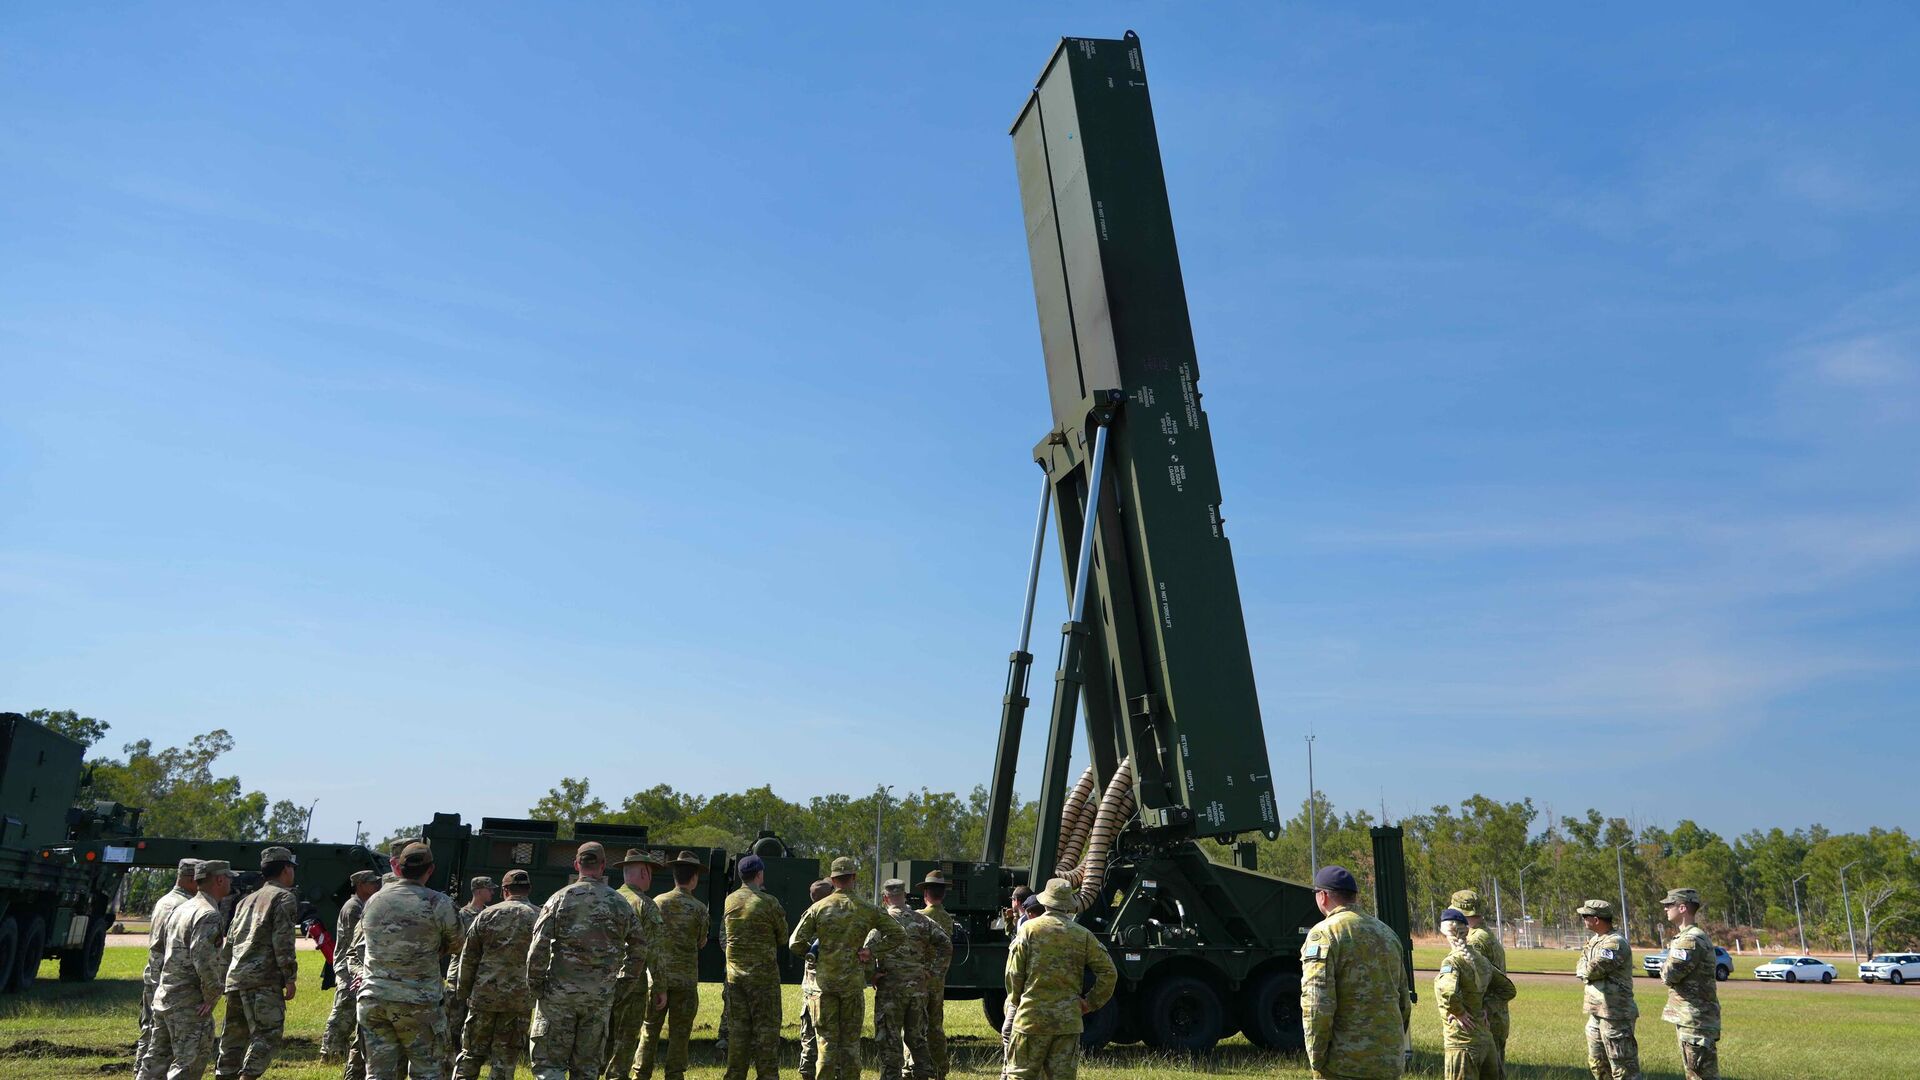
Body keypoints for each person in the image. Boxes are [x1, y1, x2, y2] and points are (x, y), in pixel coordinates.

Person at [527, 840, 647, 1080]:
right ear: (603, 866)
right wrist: (619, 986)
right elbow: (639, 948)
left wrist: (537, 987)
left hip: (559, 996)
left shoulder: (559, 899)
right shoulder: (620, 903)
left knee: (550, 1067)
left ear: (576, 864)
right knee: (587, 1070)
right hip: (598, 998)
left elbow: (538, 948)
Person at [788, 857, 905, 1080]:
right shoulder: (867, 909)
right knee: (851, 1044)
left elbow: (794, 942)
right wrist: (871, 951)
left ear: (833, 879)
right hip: (852, 985)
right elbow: (899, 934)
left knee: (826, 1043)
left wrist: (815, 957)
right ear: (853, 878)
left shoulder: (819, 908)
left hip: (824, 986)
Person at [359, 843, 463, 1080]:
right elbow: (457, 942)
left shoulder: (374, 900)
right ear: (431, 869)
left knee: (377, 1073)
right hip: (418, 1002)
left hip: (374, 1000)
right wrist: (430, 950)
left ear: (399, 867)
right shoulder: (438, 903)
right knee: (427, 1072)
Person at [1299, 865, 1412, 1080]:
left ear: (1322, 896)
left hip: (1345, 1065)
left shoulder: (1325, 933)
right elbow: (1403, 1002)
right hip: (1388, 1062)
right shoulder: (1387, 933)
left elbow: (1316, 1004)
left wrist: (1317, 1057)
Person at [1002, 878, 1115, 1080]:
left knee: (1020, 1076)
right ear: (1068, 906)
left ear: (1045, 902)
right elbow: (1109, 973)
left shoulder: (1028, 930)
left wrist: (1016, 1001)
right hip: (1067, 1022)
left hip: (1030, 1019)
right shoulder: (1084, 935)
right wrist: (1090, 1003)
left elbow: (1013, 973)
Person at [142, 860, 235, 1080]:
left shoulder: (182, 908)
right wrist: (212, 994)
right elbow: (204, 959)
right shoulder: (208, 914)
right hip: (189, 1004)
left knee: (155, 1063)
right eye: (229, 877)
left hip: (165, 996)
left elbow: (161, 949)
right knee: (187, 1066)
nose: (231, 881)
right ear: (219, 880)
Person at [215, 847, 302, 1080]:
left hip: (236, 979)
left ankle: (225, 1076)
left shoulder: (246, 900)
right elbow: (283, 941)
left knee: (233, 1038)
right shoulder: (284, 897)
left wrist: (224, 976)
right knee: (268, 1033)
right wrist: (289, 976)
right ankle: (248, 1076)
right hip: (262, 980)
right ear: (285, 869)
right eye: (291, 868)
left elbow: (229, 942)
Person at [453, 868, 540, 1080]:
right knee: (505, 1062)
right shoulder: (539, 916)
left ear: (504, 891)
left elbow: (469, 958)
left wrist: (462, 993)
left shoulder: (486, 915)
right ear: (528, 889)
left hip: (484, 998)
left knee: (470, 1055)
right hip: (519, 1001)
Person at [636, 852, 709, 1080]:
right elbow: (701, 941)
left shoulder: (657, 902)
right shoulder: (699, 908)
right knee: (680, 1034)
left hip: (658, 980)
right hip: (685, 981)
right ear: (694, 878)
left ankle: (641, 1074)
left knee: (649, 1030)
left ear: (675, 876)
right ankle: (674, 1075)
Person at [869, 879, 950, 1080]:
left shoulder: (881, 922)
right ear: (904, 895)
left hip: (890, 992)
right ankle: (923, 1075)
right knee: (917, 1039)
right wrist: (932, 971)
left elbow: (866, 951)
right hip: (917, 990)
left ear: (885, 898)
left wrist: (872, 974)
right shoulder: (923, 920)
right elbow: (945, 945)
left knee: (890, 1040)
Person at [721, 854, 790, 1080]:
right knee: (766, 1037)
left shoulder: (729, 901)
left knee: (738, 1035)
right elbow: (782, 937)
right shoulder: (769, 902)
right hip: (764, 981)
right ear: (759, 874)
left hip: (735, 979)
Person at [604, 849, 668, 1080]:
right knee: (625, 1038)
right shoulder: (645, 905)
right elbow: (654, 951)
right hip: (632, 983)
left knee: (598, 1036)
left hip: (599, 980)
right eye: (650, 872)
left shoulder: (606, 898)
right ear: (643, 872)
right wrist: (660, 987)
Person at [137, 859, 201, 1074]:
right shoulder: (185, 905)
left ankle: (141, 1072)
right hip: (169, 980)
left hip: (153, 976)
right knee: (164, 1040)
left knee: (149, 1033)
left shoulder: (165, 900)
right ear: (192, 879)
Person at [1448, 889, 1514, 1077]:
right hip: (1494, 1014)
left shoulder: (1475, 940)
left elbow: (1474, 981)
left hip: (1485, 1017)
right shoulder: (1484, 933)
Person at [1657, 888, 1720, 1080]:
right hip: (1691, 1018)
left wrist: (1664, 968)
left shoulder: (1690, 939)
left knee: (1700, 1075)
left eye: (1669, 905)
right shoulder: (1686, 937)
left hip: (1695, 1019)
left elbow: (1670, 974)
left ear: (1682, 908)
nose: (1666, 909)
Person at [1574, 900, 1638, 1080]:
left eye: (1585, 916)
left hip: (1615, 1014)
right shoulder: (1594, 941)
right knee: (1598, 1063)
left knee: (1623, 1068)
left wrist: (1586, 970)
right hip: (1596, 1012)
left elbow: (1592, 969)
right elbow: (1580, 966)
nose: (1583, 919)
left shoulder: (1615, 943)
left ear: (1596, 919)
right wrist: (1586, 969)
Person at [323, 871, 383, 1065]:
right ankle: (329, 1052)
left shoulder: (363, 905)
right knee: (343, 1013)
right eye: (371, 883)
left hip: (355, 966)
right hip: (348, 968)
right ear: (360, 885)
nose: (376, 885)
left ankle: (337, 1052)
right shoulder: (354, 908)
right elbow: (353, 944)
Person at [1435, 909, 1497, 1080]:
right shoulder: (1482, 961)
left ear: (1443, 932)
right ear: (1467, 931)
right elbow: (1506, 989)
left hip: (1462, 1045)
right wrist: (1487, 1008)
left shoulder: (1452, 961)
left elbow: (1447, 991)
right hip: (1486, 1043)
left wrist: (1459, 1012)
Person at [446, 878, 498, 1068]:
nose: (493, 892)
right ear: (478, 890)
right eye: (489, 889)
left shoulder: (489, 914)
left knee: (473, 1023)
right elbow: (454, 943)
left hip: (480, 977)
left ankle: (466, 1059)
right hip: (458, 975)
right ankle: (450, 1060)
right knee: (454, 1020)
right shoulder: (462, 915)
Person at [914, 872, 955, 1080]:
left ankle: (915, 1068)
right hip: (937, 980)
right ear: (943, 895)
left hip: (919, 979)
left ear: (926, 893)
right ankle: (940, 1069)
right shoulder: (948, 919)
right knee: (935, 1027)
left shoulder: (919, 916)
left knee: (915, 1026)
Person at [795, 879, 834, 1080]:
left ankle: (808, 1073)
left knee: (809, 1035)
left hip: (811, 988)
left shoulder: (809, 916)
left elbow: (796, 943)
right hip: (830, 986)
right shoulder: (832, 916)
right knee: (830, 1036)